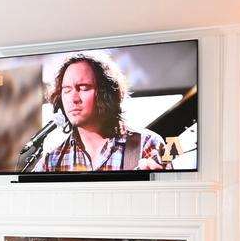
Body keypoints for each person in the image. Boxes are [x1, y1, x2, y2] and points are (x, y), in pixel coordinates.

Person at [32, 53, 171, 171]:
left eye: (83, 87)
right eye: (67, 90)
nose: (73, 99)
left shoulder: (146, 144)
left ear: (105, 94)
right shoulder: (52, 161)